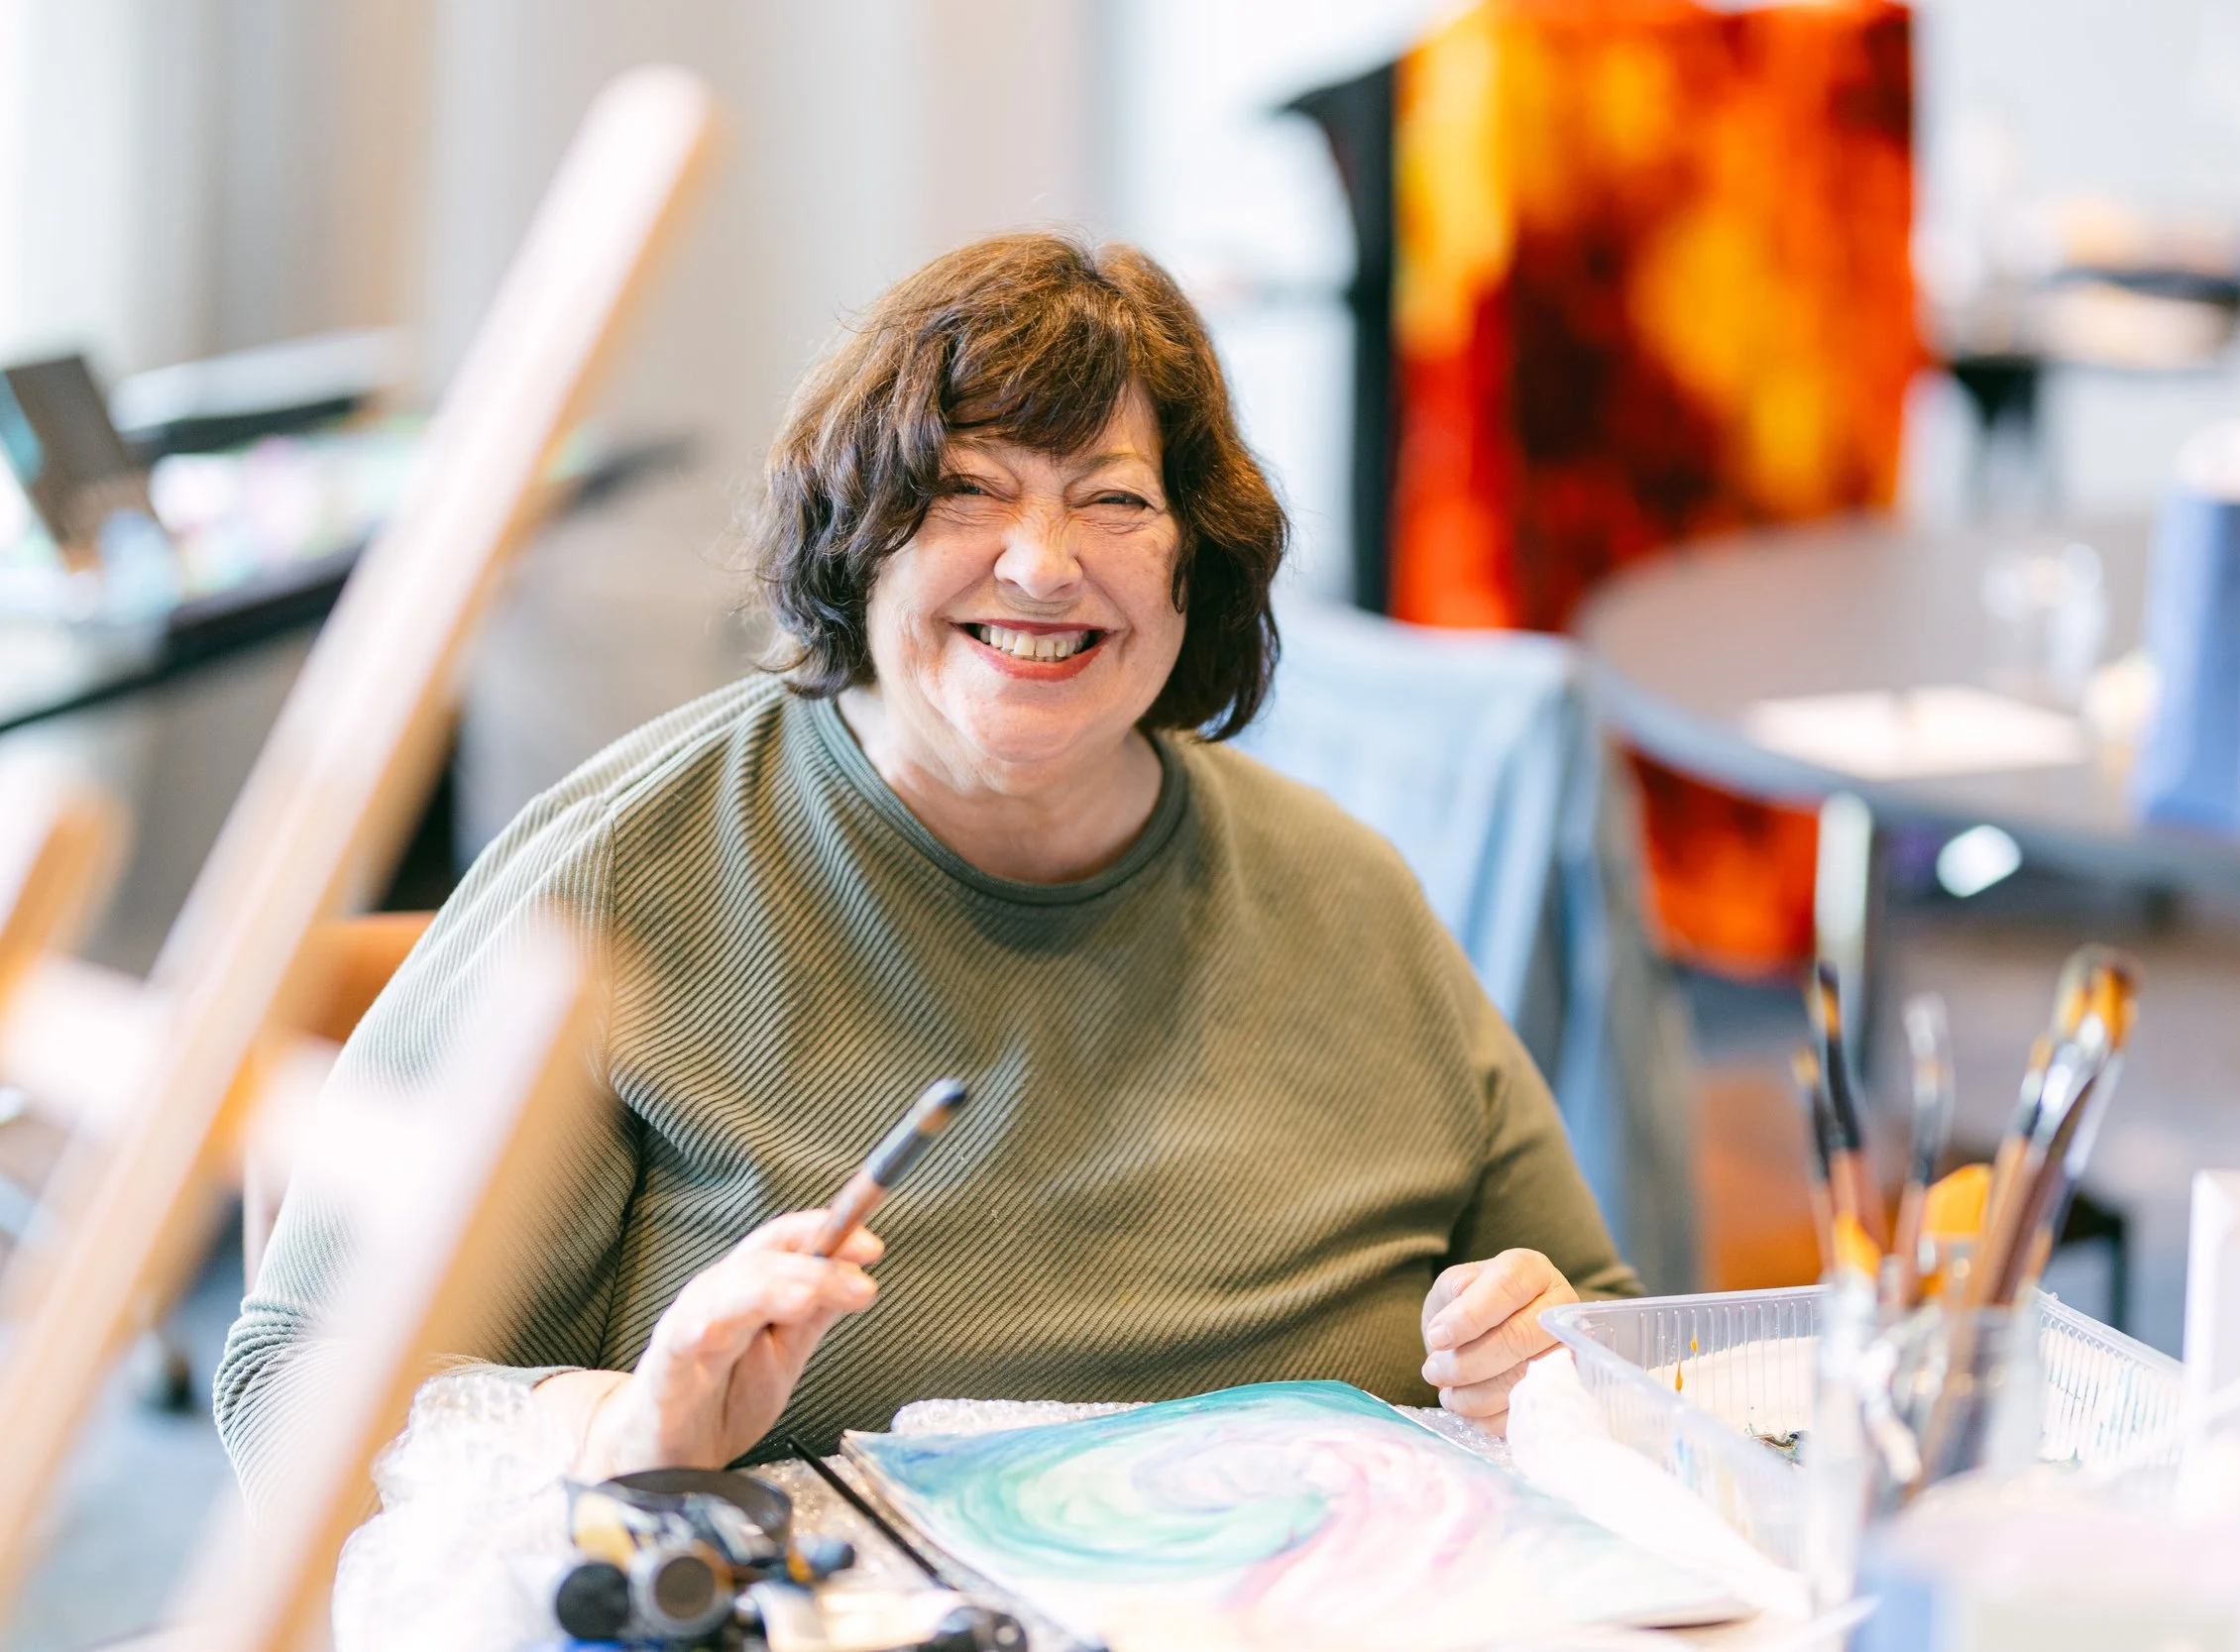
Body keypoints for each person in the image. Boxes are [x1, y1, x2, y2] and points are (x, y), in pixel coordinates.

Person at [215, 232, 1641, 1493]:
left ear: (1195, 561)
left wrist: (1545, 1361)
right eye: (967, 490)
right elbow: (291, 1395)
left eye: (1115, 501)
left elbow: (1603, 1322)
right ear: (858, 539)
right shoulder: (621, 878)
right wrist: (617, 1425)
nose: (1040, 564)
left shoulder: (1345, 887)